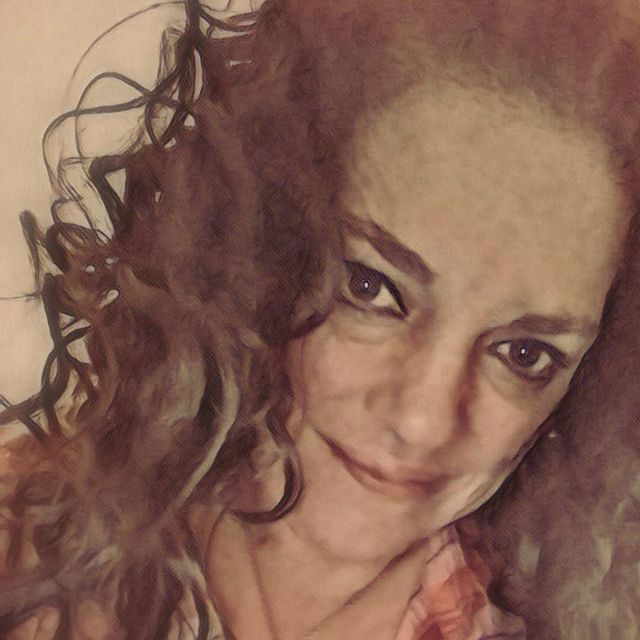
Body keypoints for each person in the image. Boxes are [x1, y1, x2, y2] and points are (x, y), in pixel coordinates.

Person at [2, 0, 640, 638]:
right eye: (370, 287)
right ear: (259, 245)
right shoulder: (25, 532)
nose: (422, 422)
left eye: (525, 354)